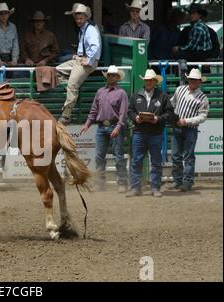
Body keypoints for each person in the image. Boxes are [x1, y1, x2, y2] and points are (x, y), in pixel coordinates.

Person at [79, 65, 128, 193]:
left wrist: (118, 127)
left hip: (115, 125)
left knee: (118, 155)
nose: (110, 77)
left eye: (113, 75)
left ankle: (122, 182)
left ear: (117, 78)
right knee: (99, 156)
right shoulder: (100, 91)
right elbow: (94, 110)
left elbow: (123, 114)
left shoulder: (121, 93)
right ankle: (100, 183)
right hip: (101, 126)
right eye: (109, 75)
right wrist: (87, 124)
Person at [127, 69, 174, 198]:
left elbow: (169, 113)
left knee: (156, 161)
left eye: (150, 80)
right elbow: (129, 111)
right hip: (139, 132)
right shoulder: (136, 95)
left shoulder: (162, 96)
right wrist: (135, 118)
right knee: (136, 160)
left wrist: (158, 119)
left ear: (155, 81)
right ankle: (136, 187)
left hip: (155, 133)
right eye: (146, 80)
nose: (148, 82)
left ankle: (155, 187)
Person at [57, 3, 101, 125]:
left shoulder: (90, 29)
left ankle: (66, 116)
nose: (79, 20)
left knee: (72, 85)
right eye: (77, 18)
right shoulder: (83, 29)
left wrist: (88, 60)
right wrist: (79, 55)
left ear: (86, 17)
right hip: (81, 60)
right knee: (57, 70)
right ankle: (71, 92)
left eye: (81, 18)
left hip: (87, 63)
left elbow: (95, 46)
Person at [170, 69, 209, 192]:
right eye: (191, 79)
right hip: (177, 127)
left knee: (188, 156)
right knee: (176, 155)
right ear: (188, 79)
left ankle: (187, 181)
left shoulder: (203, 98)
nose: (192, 81)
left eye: (195, 80)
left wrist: (186, 121)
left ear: (199, 82)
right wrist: (174, 116)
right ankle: (177, 180)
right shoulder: (179, 90)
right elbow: (172, 103)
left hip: (190, 129)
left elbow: (202, 117)